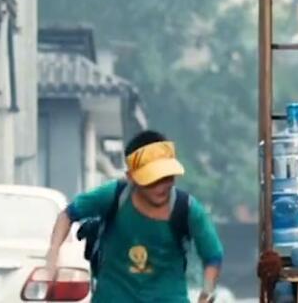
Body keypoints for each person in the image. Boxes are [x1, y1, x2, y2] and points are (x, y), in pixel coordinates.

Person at [45, 130, 224, 303]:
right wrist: (53, 252)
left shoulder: (188, 209)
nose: (161, 187)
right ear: (131, 177)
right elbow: (68, 214)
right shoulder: (114, 196)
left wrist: (207, 292)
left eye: (167, 178)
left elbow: (213, 256)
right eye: (152, 180)